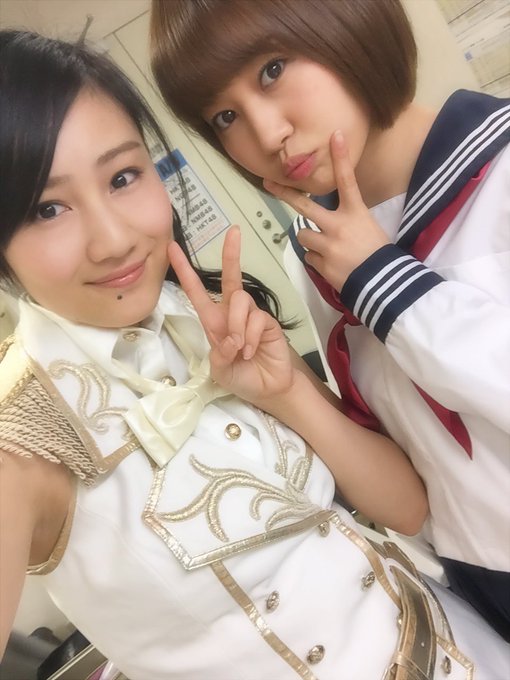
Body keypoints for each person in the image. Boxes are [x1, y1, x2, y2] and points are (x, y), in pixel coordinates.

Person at [1, 29, 508, 680]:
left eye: (123, 177)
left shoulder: (217, 316)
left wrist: (287, 394)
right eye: (47, 209)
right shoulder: (23, 438)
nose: (113, 239)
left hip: (470, 648)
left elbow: (409, 508)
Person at [150, 0, 510, 641]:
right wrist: (291, 389)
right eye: (225, 116)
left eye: (272, 69)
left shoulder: (499, 170)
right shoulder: (315, 253)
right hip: (476, 586)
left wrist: (388, 285)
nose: (266, 134)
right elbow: (418, 473)